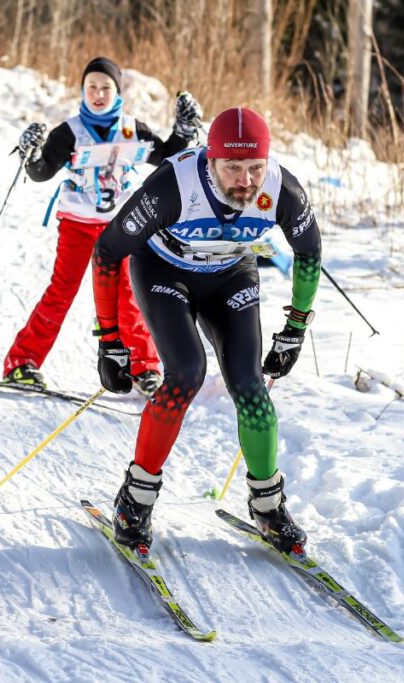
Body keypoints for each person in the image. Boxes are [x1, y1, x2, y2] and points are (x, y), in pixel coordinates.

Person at [91, 106, 322, 553]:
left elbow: (310, 252)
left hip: (231, 273)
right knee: (187, 373)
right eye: (232, 167)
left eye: (254, 167)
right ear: (209, 159)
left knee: (251, 385)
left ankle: (268, 505)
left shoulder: (280, 188)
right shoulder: (172, 187)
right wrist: (109, 340)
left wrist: (295, 328)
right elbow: (106, 252)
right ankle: (135, 500)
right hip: (164, 271)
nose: (245, 180)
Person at [2, 56, 202, 396]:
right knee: (62, 291)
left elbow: (169, 156)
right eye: (91, 86)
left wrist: (183, 131)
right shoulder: (70, 131)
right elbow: (41, 172)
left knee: (127, 293)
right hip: (77, 224)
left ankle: (145, 367)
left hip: (120, 228)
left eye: (105, 87)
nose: (98, 93)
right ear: (82, 90)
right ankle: (22, 362)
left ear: (117, 91)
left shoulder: (131, 128)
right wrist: (31, 153)